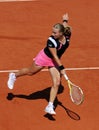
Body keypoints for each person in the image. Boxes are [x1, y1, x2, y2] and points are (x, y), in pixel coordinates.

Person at [7, 13, 72, 115]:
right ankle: (14, 75)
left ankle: (50, 106)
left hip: (55, 61)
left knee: (57, 83)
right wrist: (62, 68)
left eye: (55, 33)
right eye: (52, 32)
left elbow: (65, 26)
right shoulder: (51, 41)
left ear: (61, 33)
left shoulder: (67, 34)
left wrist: (65, 20)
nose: (52, 34)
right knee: (30, 72)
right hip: (45, 57)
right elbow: (54, 56)